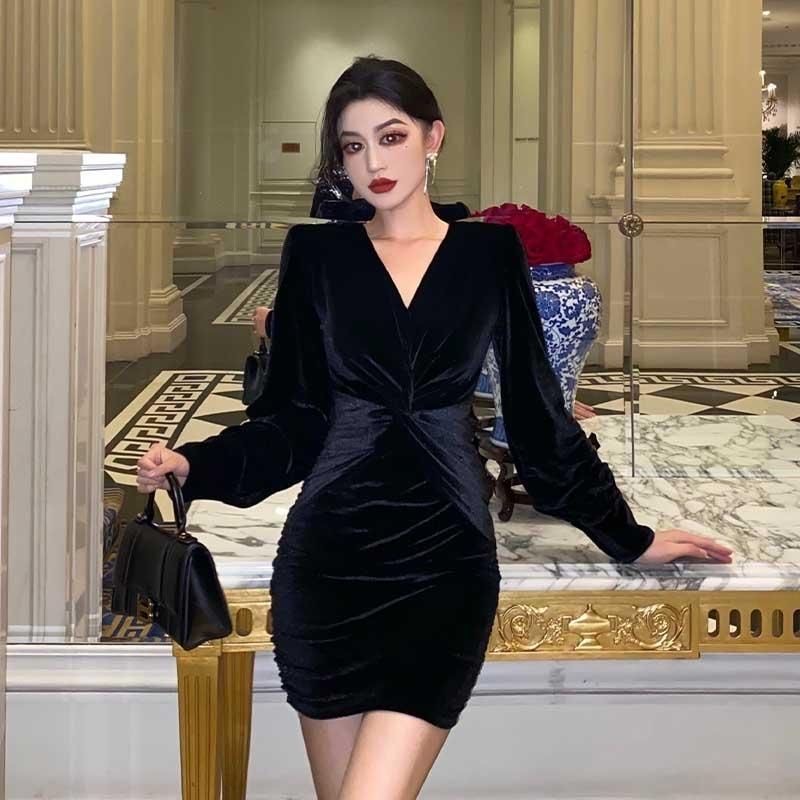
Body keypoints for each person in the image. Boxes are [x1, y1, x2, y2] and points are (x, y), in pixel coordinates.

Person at [137, 56, 732, 800]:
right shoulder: (316, 255)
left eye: (391, 137)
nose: (373, 162)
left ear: (433, 137)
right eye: (353, 146)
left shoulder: (489, 253)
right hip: (327, 566)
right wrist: (196, 464)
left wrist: (629, 537)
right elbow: (296, 422)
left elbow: (537, 420)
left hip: (444, 564)